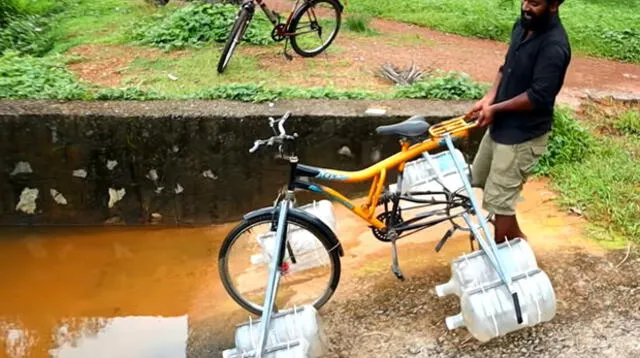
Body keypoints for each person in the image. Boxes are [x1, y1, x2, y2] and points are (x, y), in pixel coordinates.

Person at [466, 0, 571, 244]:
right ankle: (518, 241)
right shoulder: (523, 25)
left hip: (523, 135)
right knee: (481, 179)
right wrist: (488, 99)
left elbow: (537, 97)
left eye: (534, 3)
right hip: (501, 125)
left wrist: (495, 109)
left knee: (500, 203)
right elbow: (506, 67)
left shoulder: (554, 46)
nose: (525, 7)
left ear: (554, 5)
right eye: (524, 0)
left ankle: (504, 262)